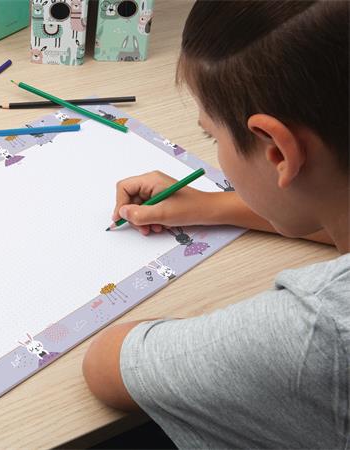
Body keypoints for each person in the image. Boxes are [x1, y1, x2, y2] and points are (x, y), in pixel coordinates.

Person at [82, 1, 349, 448]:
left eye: (212, 135)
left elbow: (108, 366)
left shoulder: (318, 330)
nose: (213, 148)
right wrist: (213, 206)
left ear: (277, 151)